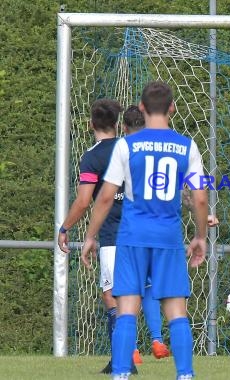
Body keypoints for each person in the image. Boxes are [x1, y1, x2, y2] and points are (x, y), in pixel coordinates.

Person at [81, 81, 209, 380]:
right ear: (172, 107)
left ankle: (121, 374)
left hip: (132, 236)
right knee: (176, 311)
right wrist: (200, 236)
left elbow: (104, 196)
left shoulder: (127, 145)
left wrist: (90, 236)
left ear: (140, 107)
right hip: (168, 236)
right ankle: (185, 375)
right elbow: (200, 197)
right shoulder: (187, 145)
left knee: (127, 307)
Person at [56, 98, 140, 374]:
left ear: (91, 124)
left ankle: (122, 360)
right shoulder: (130, 148)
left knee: (111, 297)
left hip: (113, 236)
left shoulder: (92, 157)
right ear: (117, 124)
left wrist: (65, 228)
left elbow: (83, 201)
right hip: (141, 233)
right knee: (134, 296)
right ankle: (125, 357)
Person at [121, 105, 171, 365]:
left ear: (124, 127)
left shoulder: (123, 151)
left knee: (126, 289)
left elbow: (109, 194)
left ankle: (131, 349)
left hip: (128, 230)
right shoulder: (160, 149)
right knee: (151, 287)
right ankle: (157, 339)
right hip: (159, 230)